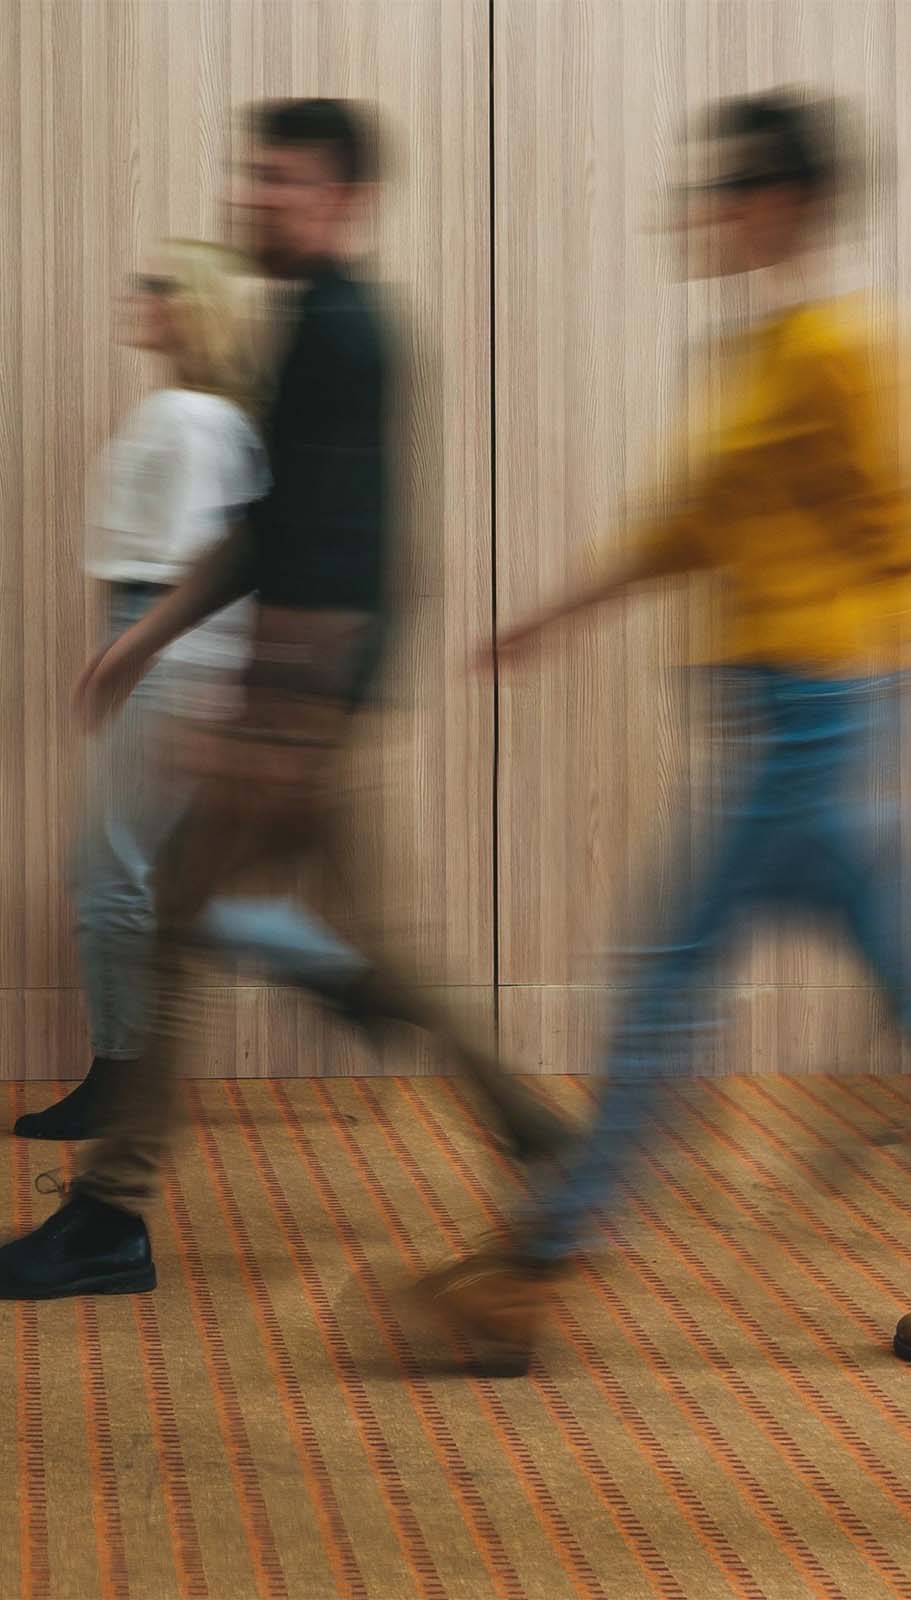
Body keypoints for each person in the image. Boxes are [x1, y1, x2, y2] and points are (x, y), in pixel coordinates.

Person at [413, 91, 911, 1375]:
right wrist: (554, 614)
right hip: (800, 726)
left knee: (665, 983)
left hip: (822, 731)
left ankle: (527, 1272)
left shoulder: (852, 346)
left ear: (783, 202)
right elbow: (693, 524)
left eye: (722, 191)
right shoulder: (760, 347)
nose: (700, 215)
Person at [0, 98, 566, 1303]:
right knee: (349, 943)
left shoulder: (348, 334)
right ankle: (532, 1127)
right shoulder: (307, 323)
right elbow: (266, 528)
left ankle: (110, 1215)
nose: (254, 195)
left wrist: (278, 718)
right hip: (305, 703)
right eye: (252, 174)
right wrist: (145, 639)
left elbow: (352, 551)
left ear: (345, 199)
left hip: (304, 704)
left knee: (180, 919)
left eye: (282, 180)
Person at [14, 239, 372, 1144]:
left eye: (160, 287)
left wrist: (131, 653)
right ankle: (339, 970)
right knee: (172, 881)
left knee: (109, 873)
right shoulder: (206, 415)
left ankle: (121, 1077)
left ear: (195, 308)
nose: (138, 296)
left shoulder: (192, 419)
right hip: (170, 645)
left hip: (167, 649)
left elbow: (198, 567)